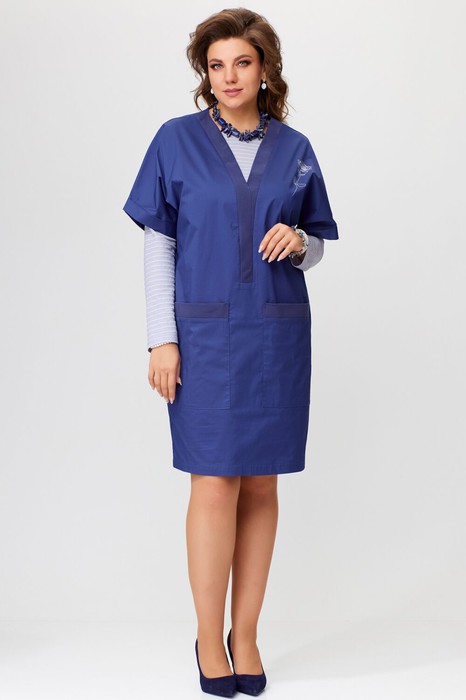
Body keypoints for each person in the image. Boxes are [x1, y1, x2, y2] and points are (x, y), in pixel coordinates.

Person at [123, 8, 339, 697]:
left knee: (262, 483)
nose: (229, 77)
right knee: (214, 482)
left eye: (242, 62)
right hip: (205, 338)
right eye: (215, 66)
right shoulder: (175, 141)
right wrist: (162, 337)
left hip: (276, 335)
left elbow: (316, 242)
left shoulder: (295, 148)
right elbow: (158, 243)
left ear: (265, 68)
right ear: (204, 74)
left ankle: (247, 636)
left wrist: (300, 244)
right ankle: (208, 635)